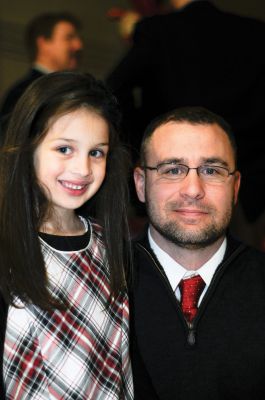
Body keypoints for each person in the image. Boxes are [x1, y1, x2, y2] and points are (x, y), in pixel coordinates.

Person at [0, 71, 133, 399]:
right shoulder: (8, 244)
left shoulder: (109, 245)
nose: (83, 169)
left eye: (96, 152)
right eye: (64, 149)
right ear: (29, 147)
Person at [131, 106, 265, 399]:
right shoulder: (98, 282)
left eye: (211, 170)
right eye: (173, 170)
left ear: (235, 186)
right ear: (141, 184)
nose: (193, 189)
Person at [106, 0, 265, 248]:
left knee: (164, 267)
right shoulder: (256, 33)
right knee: (247, 273)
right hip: (249, 186)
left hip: (172, 176)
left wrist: (144, 140)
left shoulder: (157, 30)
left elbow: (113, 91)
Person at [0, 12, 83, 120]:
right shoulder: (23, 94)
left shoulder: (69, 87)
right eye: (69, 38)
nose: (78, 45)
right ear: (43, 44)